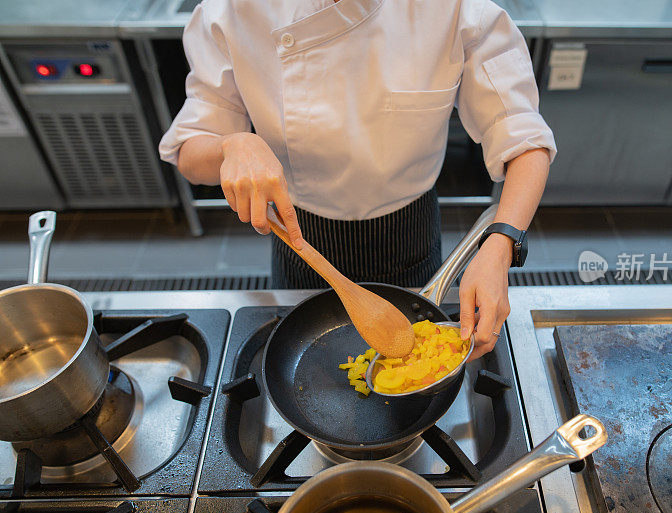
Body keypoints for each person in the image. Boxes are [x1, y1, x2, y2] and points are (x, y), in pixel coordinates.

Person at [159, 0, 556, 359]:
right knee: (307, 361)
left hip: (409, 230)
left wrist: (501, 244)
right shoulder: (233, 9)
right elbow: (190, 150)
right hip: (300, 237)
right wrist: (233, 145)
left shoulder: (454, 9)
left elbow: (525, 139)